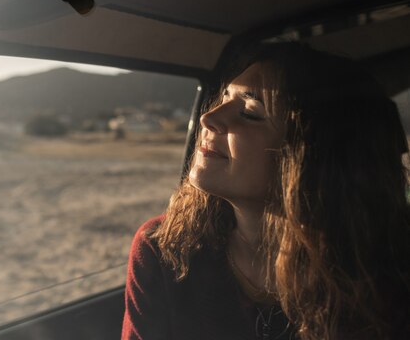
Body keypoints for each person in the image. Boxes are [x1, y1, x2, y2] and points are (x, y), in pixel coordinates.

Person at [121, 43, 410, 340]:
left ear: (313, 155)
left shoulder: (387, 273)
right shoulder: (165, 249)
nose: (209, 119)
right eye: (223, 99)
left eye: (249, 112)